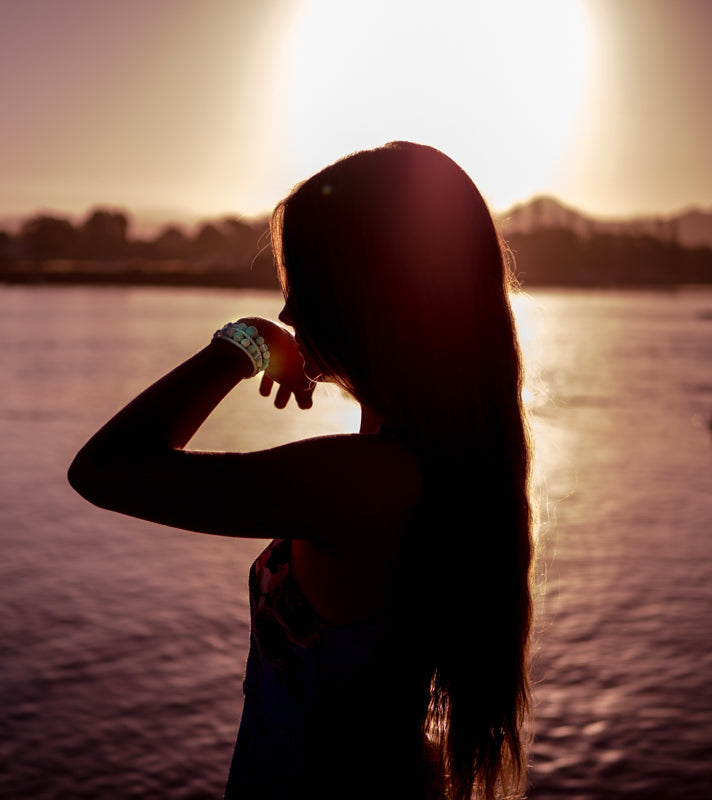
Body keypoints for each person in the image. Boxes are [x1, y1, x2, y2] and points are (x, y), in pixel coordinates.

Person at [68, 141, 534, 800]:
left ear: (366, 299)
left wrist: (244, 342)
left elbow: (103, 469)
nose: (289, 312)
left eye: (302, 289)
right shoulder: (428, 458)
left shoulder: (359, 483)